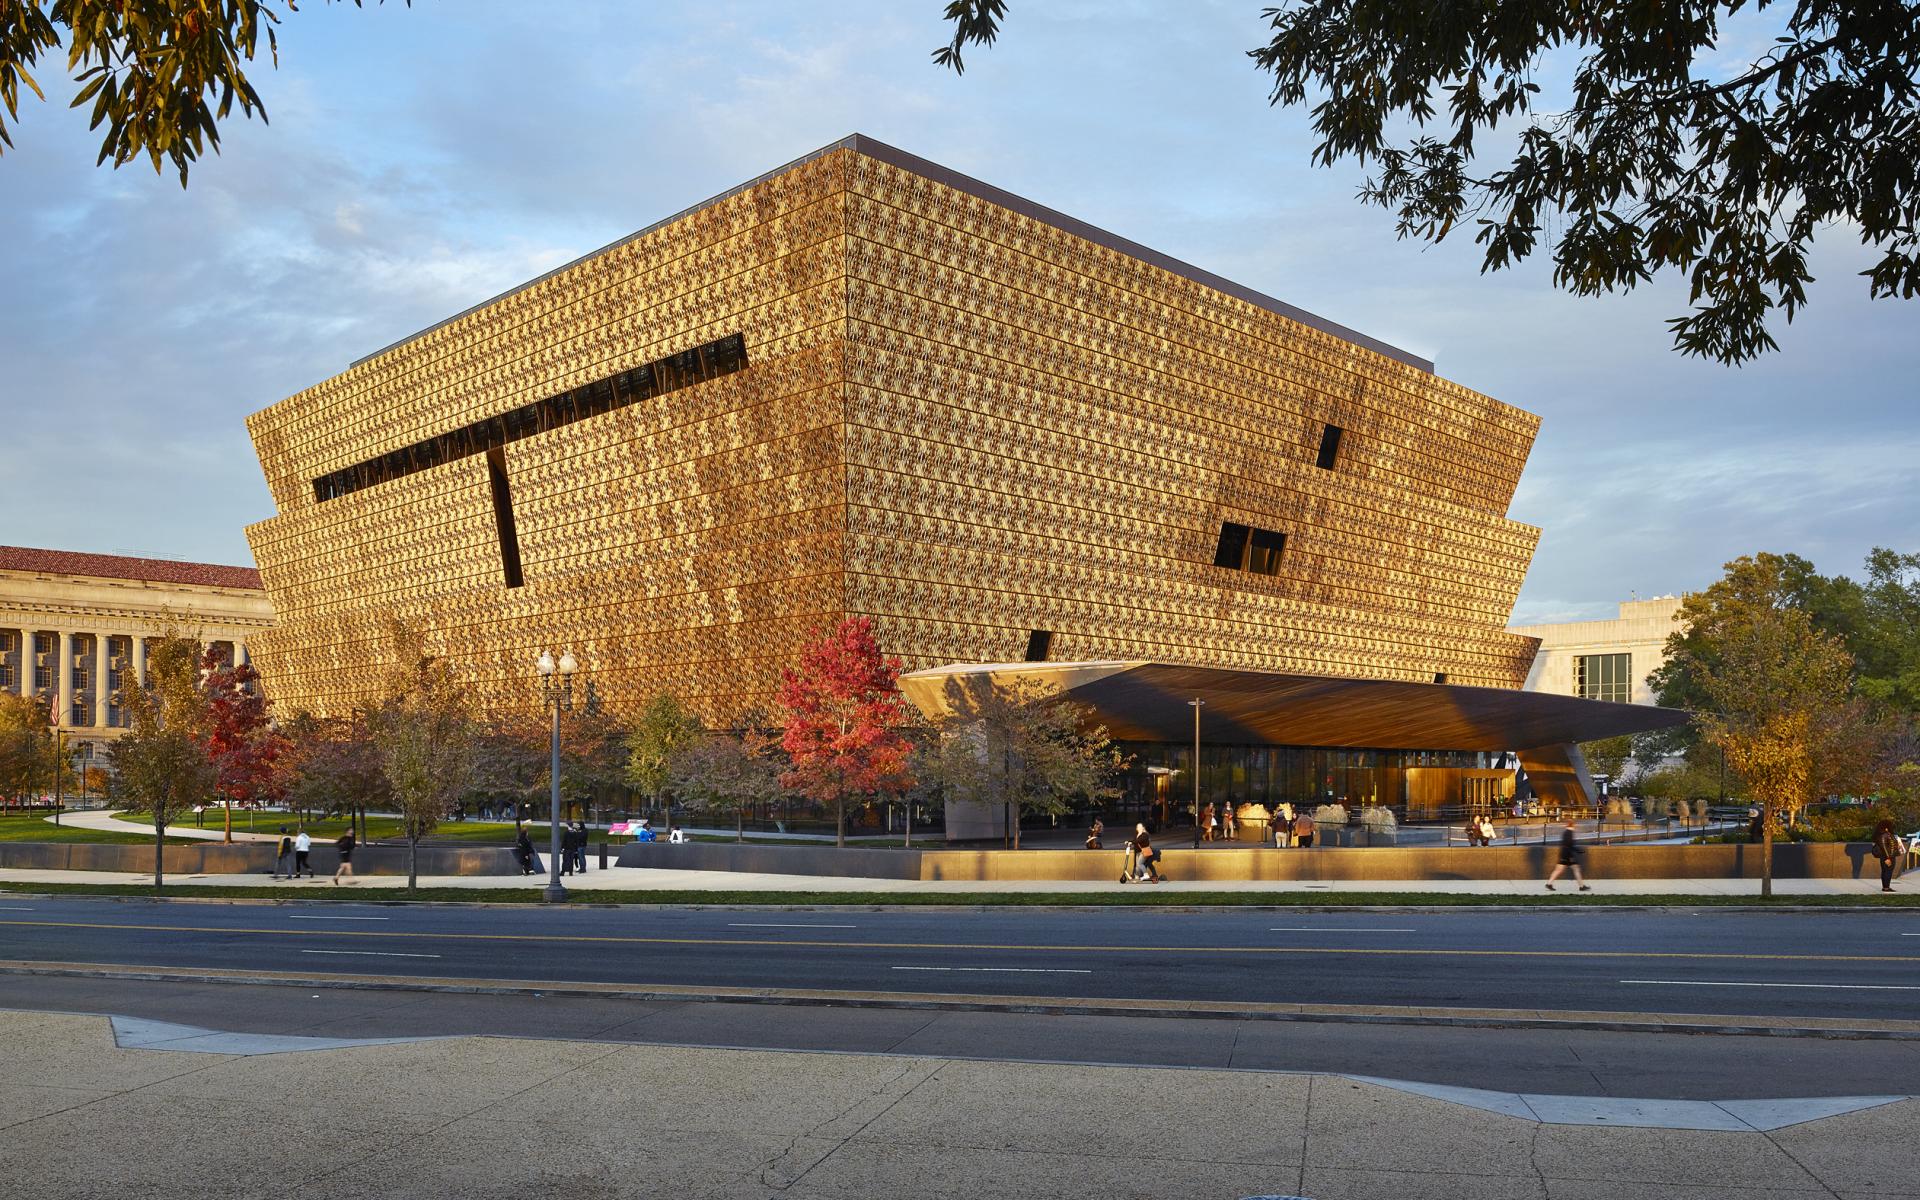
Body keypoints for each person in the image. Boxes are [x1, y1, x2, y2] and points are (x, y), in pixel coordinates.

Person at [1545, 820, 1590, 891]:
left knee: (1559, 870)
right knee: (1576, 870)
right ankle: (1582, 886)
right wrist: (1579, 850)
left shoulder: (1565, 832)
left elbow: (1567, 845)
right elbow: (1570, 845)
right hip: (1568, 855)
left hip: (1564, 854)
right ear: (1573, 825)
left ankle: (1549, 883)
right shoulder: (1569, 833)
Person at [1873, 819, 1902, 893]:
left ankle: (1885, 887)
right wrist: (1888, 858)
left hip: (1889, 855)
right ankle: (1886, 887)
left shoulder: (1886, 834)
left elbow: (1889, 845)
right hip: (1888, 856)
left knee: (1886, 871)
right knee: (1887, 871)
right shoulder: (1884, 834)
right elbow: (1884, 847)